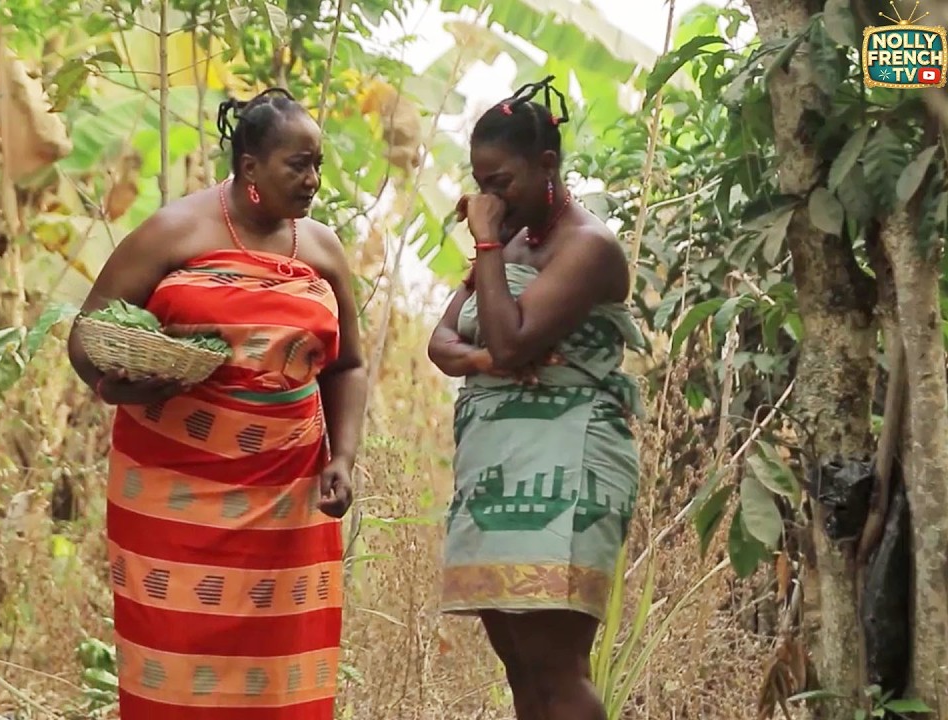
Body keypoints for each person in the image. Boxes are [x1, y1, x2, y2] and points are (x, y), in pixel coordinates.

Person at [67, 87, 366, 720]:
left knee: (278, 671)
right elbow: (87, 333)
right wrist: (118, 385)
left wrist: (344, 458)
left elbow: (349, 364)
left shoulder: (322, 247)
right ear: (250, 165)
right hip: (173, 492)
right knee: (173, 665)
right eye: (298, 164)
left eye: (318, 164)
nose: (313, 179)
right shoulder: (174, 229)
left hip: (288, 495)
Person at [427, 75, 645, 720]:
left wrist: (487, 245)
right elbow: (443, 342)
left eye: (501, 182)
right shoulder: (514, 243)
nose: (485, 199)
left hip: (568, 462)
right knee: (520, 667)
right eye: (480, 182)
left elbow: (511, 336)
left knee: (557, 666)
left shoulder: (589, 246)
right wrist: (489, 359)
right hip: (494, 466)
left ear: (547, 165)